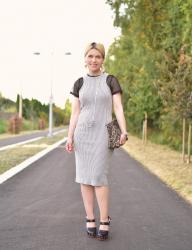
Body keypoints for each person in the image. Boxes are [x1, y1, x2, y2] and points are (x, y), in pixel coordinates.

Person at [65, 42, 128, 241]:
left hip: (104, 133)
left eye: (98, 56)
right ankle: (90, 217)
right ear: (85, 58)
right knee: (84, 178)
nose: (94, 60)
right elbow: (75, 112)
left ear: (102, 59)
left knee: (99, 176)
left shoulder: (110, 80)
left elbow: (118, 107)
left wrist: (123, 130)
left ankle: (104, 219)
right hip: (82, 134)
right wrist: (70, 135)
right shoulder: (79, 83)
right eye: (90, 56)